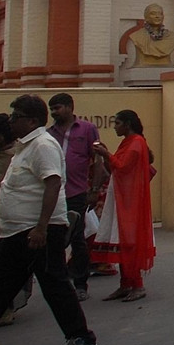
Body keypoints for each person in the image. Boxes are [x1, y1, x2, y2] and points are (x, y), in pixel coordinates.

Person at [0, 95, 97, 345]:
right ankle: (80, 336)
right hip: (19, 233)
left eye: (16, 117)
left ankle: (81, 337)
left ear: (32, 121)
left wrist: (42, 227)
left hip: (36, 233)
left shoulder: (43, 145)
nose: (11, 121)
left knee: (53, 286)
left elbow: (53, 183)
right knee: (3, 289)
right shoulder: (26, 146)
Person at [92, 109, 155, 301]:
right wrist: (105, 155)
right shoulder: (129, 141)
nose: (115, 127)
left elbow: (123, 167)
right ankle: (125, 283)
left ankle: (137, 284)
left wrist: (106, 153)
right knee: (120, 239)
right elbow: (115, 167)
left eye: (117, 123)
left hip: (131, 199)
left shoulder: (136, 143)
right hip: (120, 195)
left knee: (128, 240)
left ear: (127, 124)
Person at [47, 93, 100, 301]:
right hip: (53, 194)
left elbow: (97, 161)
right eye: (51, 109)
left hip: (77, 192)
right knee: (55, 239)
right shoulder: (48, 134)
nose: (53, 112)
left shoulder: (87, 129)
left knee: (78, 240)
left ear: (69, 107)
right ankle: (60, 282)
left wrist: (94, 189)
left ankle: (80, 284)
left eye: (57, 108)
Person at [0, 114, 30, 328]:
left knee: (1, 267)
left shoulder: (13, 155)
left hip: (7, 220)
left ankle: (6, 308)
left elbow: (5, 181)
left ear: (1, 135)